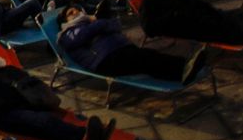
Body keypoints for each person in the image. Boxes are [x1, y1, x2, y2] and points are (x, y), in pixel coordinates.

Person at [0, 41, 116, 140]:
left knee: (50, 119)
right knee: (44, 121)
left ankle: (91, 136)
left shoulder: (9, 68)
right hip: (5, 113)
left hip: (28, 103)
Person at [58, 6, 206, 84]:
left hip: (118, 49)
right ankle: (182, 70)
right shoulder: (67, 33)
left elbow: (115, 26)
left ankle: (185, 68)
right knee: (144, 59)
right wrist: (96, 21)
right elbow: (82, 36)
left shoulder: (90, 22)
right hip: (103, 60)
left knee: (147, 57)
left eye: (77, 9)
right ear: (65, 20)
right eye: (71, 13)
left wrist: (97, 22)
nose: (76, 12)